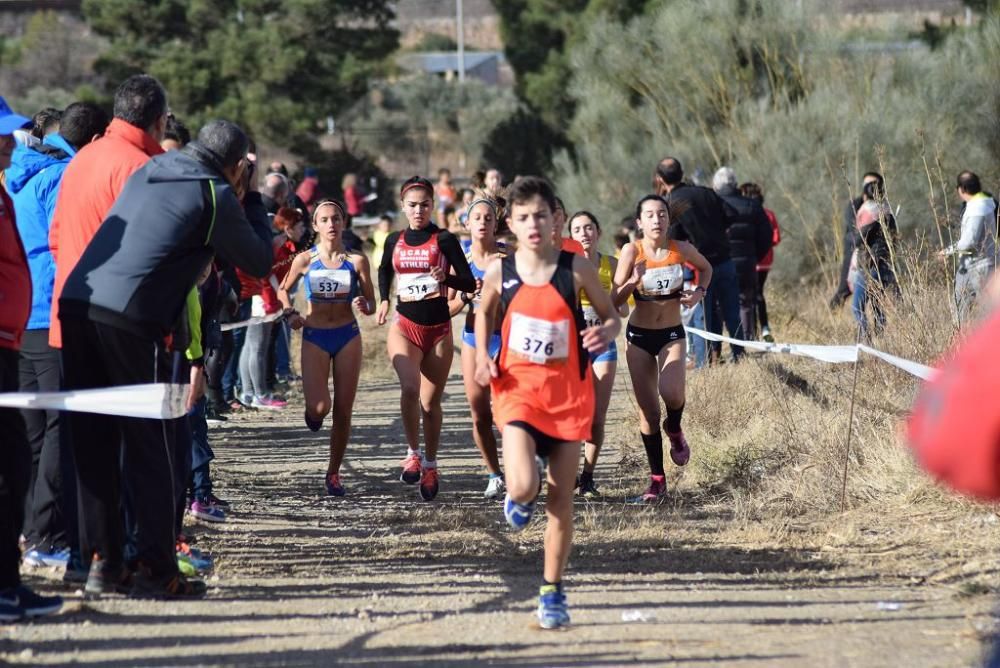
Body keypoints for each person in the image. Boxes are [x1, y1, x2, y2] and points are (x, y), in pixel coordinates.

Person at [58, 119, 273, 599]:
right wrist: (252, 197)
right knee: (151, 446)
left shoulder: (153, 168)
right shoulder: (215, 191)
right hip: (130, 319)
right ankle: (156, 569)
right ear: (239, 166)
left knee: (94, 444)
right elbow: (259, 260)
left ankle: (103, 564)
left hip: (75, 304)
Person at [474, 175, 621, 629]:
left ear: (554, 219)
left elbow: (614, 315)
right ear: (511, 225)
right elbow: (483, 311)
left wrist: (606, 332)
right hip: (519, 393)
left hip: (567, 396)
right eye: (523, 217)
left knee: (561, 500)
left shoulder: (573, 268)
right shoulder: (502, 271)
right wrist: (483, 354)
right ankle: (519, 494)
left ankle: (552, 591)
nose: (533, 224)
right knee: (522, 487)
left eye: (540, 215)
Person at [6, 101, 110, 569]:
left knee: (31, 432)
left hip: (19, 316)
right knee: (57, 427)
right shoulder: (64, 175)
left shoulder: (17, 177)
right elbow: (72, 240)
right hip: (49, 313)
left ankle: (31, 532)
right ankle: (47, 537)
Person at [0, 96, 64, 622]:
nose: (7, 140)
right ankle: (41, 536)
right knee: (46, 434)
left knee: (24, 444)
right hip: (40, 321)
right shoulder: (52, 176)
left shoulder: (8, 185)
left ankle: (18, 556)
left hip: (19, 329)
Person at [376, 176, 476, 501]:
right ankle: (412, 452)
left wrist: (444, 277)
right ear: (403, 207)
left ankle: (431, 464)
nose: (419, 210)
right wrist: (383, 300)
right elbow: (383, 271)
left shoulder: (444, 239)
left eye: (425, 204)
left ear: (433, 205)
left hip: (438, 329)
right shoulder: (394, 239)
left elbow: (468, 282)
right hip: (405, 324)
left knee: (430, 404)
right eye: (412, 205)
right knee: (409, 388)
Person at [612, 195, 712, 502]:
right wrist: (632, 281)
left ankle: (676, 428)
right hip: (639, 337)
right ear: (640, 222)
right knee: (649, 412)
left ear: (669, 220)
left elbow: (706, 269)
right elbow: (614, 299)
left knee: (673, 394)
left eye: (662, 214)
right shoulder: (632, 251)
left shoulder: (680, 249)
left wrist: (699, 294)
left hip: (671, 334)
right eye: (650, 215)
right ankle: (657, 480)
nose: (657, 220)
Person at [279, 200, 375, 496]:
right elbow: (283, 289)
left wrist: (364, 304)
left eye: (336, 218)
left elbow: (371, 303)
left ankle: (333, 472)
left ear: (343, 222)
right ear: (316, 225)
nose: (331, 224)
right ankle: (313, 413)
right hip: (315, 336)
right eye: (325, 219)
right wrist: (290, 313)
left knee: (343, 411)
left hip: (347, 336)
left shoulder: (358, 261)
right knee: (321, 407)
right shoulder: (305, 260)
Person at [447, 193, 507, 499]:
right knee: (479, 411)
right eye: (477, 218)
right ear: (466, 223)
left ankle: (523, 466)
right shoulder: (462, 261)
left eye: (488, 218)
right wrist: (468, 296)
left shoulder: (510, 258)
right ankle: (494, 474)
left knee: (509, 412)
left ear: (497, 223)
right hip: (474, 338)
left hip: (508, 337)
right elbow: (449, 308)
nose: (482, 222)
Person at [654, 157, 742, 362]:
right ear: (682, 172)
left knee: (703, 318)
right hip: (725, 260)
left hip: (698, 268)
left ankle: (704, 364)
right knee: (732, 313)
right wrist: (718, 231)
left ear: (660, 179)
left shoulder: (671, 203)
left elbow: (672, 239)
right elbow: (732, 214)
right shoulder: (705, 192)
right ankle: (740, 356)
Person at [569, 211, 624, 498]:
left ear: (598, 232)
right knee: (576, 412)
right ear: (571, 236)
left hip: (603, 346)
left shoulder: (611, 265)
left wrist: (624, 290)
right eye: (578, 229)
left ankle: (588, 477)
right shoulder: (567, 267)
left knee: (597, 417)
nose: (584, 233)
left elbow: (622, 309)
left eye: (589, 227)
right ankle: (568, 472)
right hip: (573, 348)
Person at [712, 167, 772, 341]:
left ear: (716, 186)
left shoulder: (712, 206)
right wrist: (755, 256)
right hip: (747, 262)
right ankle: (746, 340)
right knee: (746, 302)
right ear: (735, 184)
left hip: (720, 262)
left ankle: (722, 344)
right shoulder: (752, 205)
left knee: (718, 303)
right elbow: (766, 236)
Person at [940, 170, 997, 323]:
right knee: (988, 313)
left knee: (963, 312)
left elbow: (968, 241)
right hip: (986, 264)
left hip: (976, 267)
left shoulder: (977, 207)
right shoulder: (988, 203)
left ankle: (964, 342)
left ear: (962, 189)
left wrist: (946, 251)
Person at [851, 180, 898, 339]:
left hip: (869, 266)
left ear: (865, 195)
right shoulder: (889, 213)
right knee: (877, 305)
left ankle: (866, 340)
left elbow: (858, 241)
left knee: (857, 308)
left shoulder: (867, 211)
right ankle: (881, 340)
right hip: (884, 266)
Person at [831, 172, 884, 308]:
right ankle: (833, 315)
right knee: (844, 290)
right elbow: (854, 231)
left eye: (875, 185)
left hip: (876, 258)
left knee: (877, 297)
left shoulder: (882, 207)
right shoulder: (855, 205)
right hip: (854, 254)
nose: (871, 188)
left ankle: (879, 327)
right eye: (868, 185)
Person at [740, 182, 781, 342]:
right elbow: (776, 238)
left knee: (750, 296)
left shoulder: (746, 213)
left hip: (750, 259)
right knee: (758, 293)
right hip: (766, 260)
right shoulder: (769, 214)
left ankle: (755, 332)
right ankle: (764, 328)